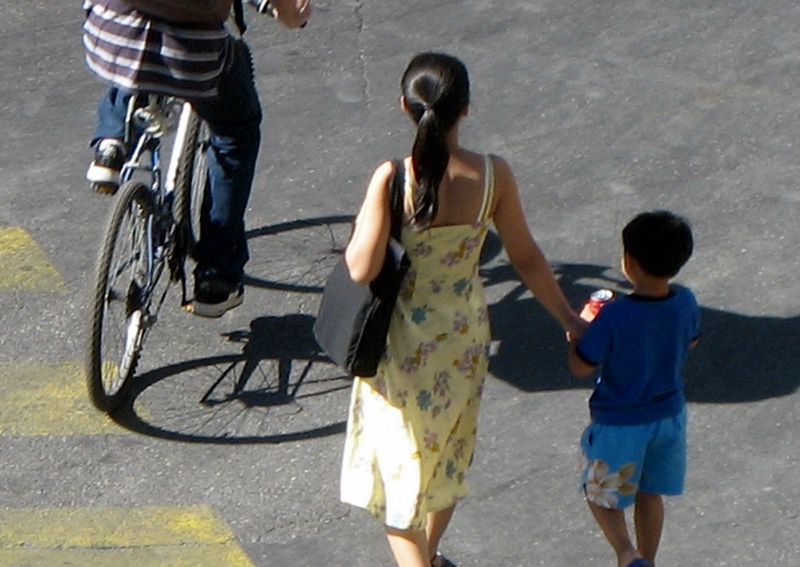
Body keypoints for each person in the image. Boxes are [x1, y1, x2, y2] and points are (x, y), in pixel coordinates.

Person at [340, 52, 587, 567]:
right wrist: (568, 318)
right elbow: (526, 257)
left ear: (404, 108)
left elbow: (361, 269)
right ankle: (430, 556)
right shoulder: (494, 176)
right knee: (446, 457)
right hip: (464, 338)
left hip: (401, 345)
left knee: (401, 470)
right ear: (466, 108)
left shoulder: (392, 178)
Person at [82, 0, 311, 317]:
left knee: (133, 62)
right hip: (191, 54)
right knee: (236, 131)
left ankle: (111, 143)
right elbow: (289, 10)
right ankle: (216, 275)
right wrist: (289, 13)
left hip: (109, 36)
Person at [567, 210, 701, 567]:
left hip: (620, 422)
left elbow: (580, 365)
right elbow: (690, 342)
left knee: (599, 495)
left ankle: (627, 554)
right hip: (669, 417)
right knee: (649, 492)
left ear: (630, 262)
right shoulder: (686, 301)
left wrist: (580, 329)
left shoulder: (613, 316)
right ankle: (648, 560)